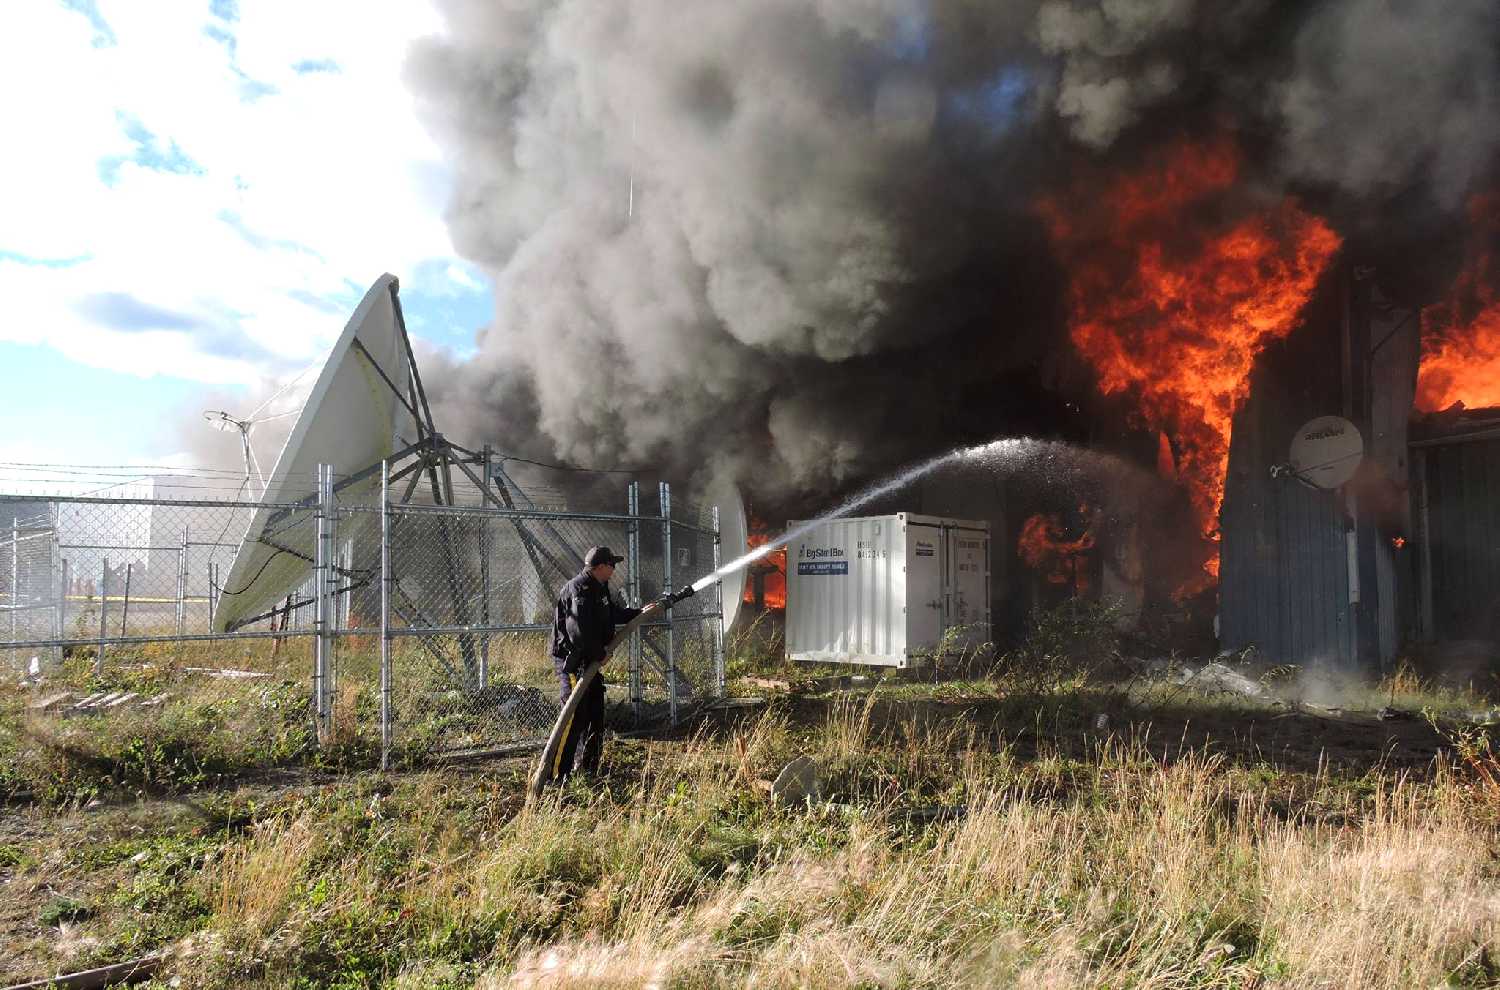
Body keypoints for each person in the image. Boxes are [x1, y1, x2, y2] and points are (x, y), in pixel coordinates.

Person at [548, 546, 642, 781]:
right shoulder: (578, 589)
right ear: (601, 567)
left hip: (589, 661)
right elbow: (577, 631)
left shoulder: (600, 588)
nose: (614, 569)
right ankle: (556, 775)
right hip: (573, 663)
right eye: (612, 565)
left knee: (595, 714)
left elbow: (613, 614)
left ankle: (588, 770)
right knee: (574, 715)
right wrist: (599, 654)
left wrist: (639, 612)